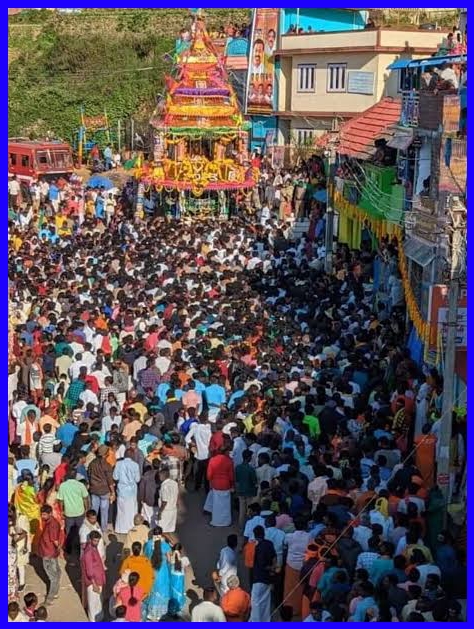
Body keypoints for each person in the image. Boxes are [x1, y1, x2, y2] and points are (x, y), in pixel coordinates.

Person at [143, 527, 172, 621]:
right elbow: (169, 560)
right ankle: (160, 614)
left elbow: (145, 557)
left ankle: (151, 613)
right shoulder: (165, 545)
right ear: (161, 534)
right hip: (163, 571)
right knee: (162, 590)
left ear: (153, 534)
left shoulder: (148, 544)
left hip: (151, 571)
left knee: (152, 590)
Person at [249, 525, 277, 622]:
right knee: (265, 602)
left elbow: (260, 565)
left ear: (255, 535)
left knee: (255, 603)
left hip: (258, 578)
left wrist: (269, 568)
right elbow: (274, 558)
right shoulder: (269, 544)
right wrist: (273, 570)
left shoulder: (254, 547)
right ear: (264, 534)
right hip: (268, 578)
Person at [37, 505, 62, 605]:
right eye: (42, 514)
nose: (42, 516)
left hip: (48, 553)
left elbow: (54, 540)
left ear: (50, 513)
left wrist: (59, 548)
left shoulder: (52, 525)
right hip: (51, 552)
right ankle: (55, 592)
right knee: (56, 571)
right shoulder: (52, 522)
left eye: (44, 514)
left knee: (52, 576)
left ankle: (49, 598)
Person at [205, 445, 234, 527]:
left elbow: (209, 475)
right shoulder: (229, 461)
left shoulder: (212, 460)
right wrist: (232, 485)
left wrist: (211, 482)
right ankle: (226, 522)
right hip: (226, 485)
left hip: (216, 484)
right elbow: (231, 476)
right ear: (225, 452)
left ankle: (216, 521)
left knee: (216, 505)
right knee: (226, 505)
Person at [113, 449, 141, 534]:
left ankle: (121, 529)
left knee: (121, 511)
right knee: (132, 510)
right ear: (132, 456)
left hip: (122, 490)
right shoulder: (135, 465)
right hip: (132, 491)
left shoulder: (118, 464)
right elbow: (137, 479)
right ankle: (131, 527)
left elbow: (115, 477)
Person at [81, 530, 106, 622]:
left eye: (98, 540)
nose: (97, 542)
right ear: (90, 540)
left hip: (98, 579)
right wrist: (94, 584)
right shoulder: (88, 552)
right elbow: (89, 570)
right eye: (95, 540)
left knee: (98, 602)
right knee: (93, 605)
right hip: (93, 582)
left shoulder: (93, 549)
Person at [169, 543, 190, 617]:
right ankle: (179, 606)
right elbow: (187, 568)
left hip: (172, 576)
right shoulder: (184, 559)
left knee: (173, 590)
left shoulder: (171, 559)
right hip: (180, 577)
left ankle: (172, 607)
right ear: (180, 550)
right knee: (179, 591)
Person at [157, 466, 179, 536]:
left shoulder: (164, 486)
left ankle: (173, 544)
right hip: (173, 509)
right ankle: (170, 545)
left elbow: (164, 502)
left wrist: (160, 512)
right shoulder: (174, 483)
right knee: (170, 530)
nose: (159, 477)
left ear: (163, 476)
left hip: (166, 511)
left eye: (159, 475)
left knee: (162, 531)